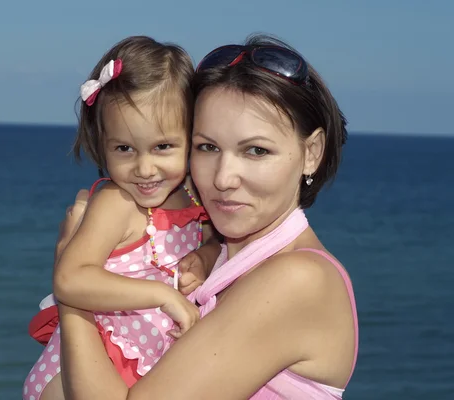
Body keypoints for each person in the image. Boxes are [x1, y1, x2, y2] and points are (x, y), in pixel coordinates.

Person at [54, 34, 358, 399]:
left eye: (256, 150)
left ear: (311, 152)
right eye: (207, 147)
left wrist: (71, 296)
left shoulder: (298, 279)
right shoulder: (212, 258)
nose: (223, 178)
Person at [22, 36, 221, 400]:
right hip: (75, 373)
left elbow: (212, 242)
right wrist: (162, 295)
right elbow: (70, 278)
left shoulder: (192, 195)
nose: (145, 169)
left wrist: (205, 256)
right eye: (124, 148)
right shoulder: (117, 202)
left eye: (163, 146)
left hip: (137, 365)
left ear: (192, 136)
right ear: (102, 142)